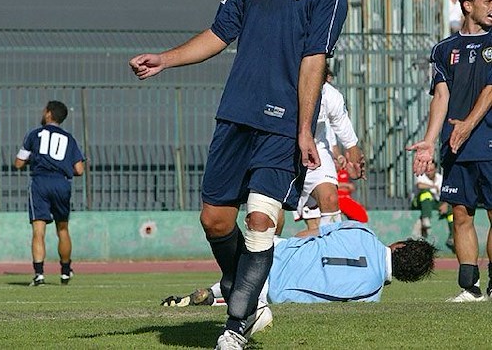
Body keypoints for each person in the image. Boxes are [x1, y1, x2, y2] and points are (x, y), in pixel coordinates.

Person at [129, 0, 348, 349]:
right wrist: (165, 60)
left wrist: (304, 128)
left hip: (281, 123)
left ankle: (235, 327)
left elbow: (315, 58)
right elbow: (218, 34)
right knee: (214, 221)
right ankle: (245, 293)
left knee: (261, 220)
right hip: (235, 114)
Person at [407, 0, 492, 302]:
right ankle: (470, 287)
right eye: (488, 1)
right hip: (455, 144)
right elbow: (440, 96)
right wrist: (429, 141)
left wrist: (469, 124)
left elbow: (490, 89)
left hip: (485, 139)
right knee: (461, 213)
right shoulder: (444, 50)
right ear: (467, 5)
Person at [161, 221, 437, 315]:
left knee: (253, 265)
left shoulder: (362, 231)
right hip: (277, 293)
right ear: (406, 278)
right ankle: (217, 297)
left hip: (275, 252)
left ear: (399, 245)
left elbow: (312, 233)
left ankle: (214, 292)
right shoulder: (370, 297)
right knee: (257, 295)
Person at [14, 101, 85, 286]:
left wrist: (37, 159)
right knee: (62, 228)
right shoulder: (69, 138)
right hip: (61, 183)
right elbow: (79, 169)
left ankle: (39, 275)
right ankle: (65, 272)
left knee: (38, 230)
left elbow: (18, 163)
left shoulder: (34, 134)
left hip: (40, 182)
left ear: (48, 114)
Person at [291, 68, 364, 233]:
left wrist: (353, 154)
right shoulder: (282, 87)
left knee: (330, 199)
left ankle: (331, 252)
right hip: (279, 149)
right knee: (270, 218)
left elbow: (341, 124)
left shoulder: (331, 96)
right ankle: (271, 256)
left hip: (316, 150)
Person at [410, 160, 454, 251]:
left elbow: (447, 194)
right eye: (427, 170)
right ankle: (426, 218)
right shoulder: (421, 175)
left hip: (435, 202)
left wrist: (445, 204)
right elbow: (420, 185)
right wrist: (433, 187)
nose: (429, 172)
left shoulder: (441, 178)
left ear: (436, 169)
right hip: (418, 202)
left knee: (451, 210)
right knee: (425, 193)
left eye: (431, 170)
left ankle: (452, 237)